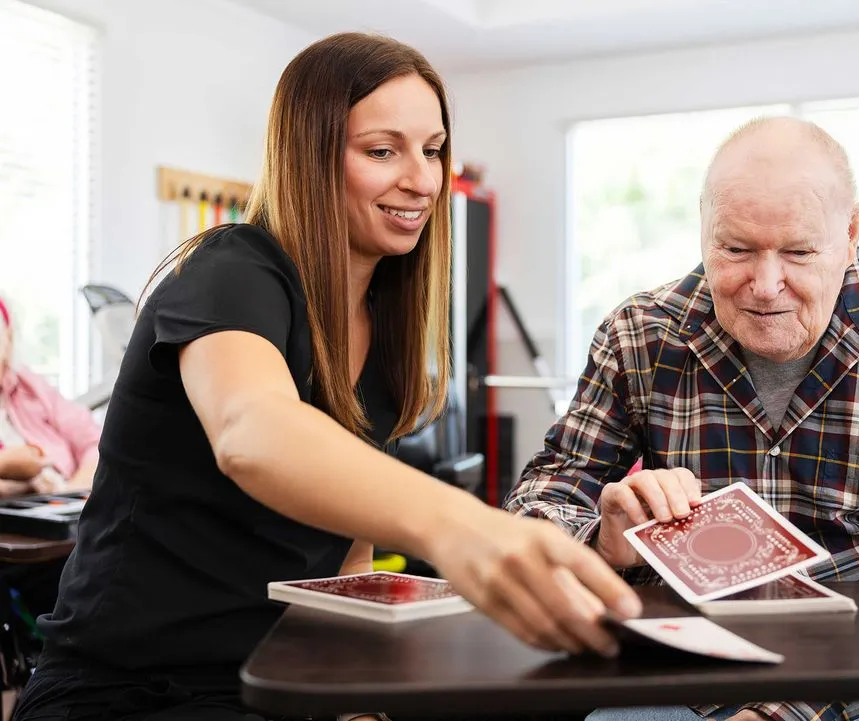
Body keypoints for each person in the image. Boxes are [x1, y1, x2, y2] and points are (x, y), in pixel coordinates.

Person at [13, 32, 641, 721]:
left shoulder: (383, 321)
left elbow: (348, 554)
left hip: (284, 683)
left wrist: (359, 703)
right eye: (382, 150)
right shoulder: (231, 269)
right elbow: (252, 429)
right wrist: (460, 526)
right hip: (132, 691)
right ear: (312, 156)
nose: (423, 179)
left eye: (432, 150)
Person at [507, 116, 859, 721]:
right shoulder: (640, 335)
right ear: (703, 227)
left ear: (852, 230)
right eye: (734, 249)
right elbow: (533, 508)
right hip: (683, 670)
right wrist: (602, 537)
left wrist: (778, 711)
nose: (764, 285)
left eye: (799, 252)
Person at [0, 296, 101, 498]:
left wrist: (71, 494)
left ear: (9, 337)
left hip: (62, 507)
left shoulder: (29, 385)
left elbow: (96, 442)